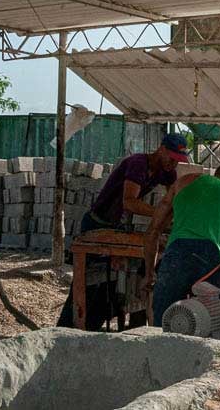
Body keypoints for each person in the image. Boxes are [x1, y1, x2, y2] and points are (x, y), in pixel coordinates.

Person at [57, 132, 188, 330]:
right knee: (90, 279)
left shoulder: (167, 172)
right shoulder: (138, 164)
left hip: (118, 226)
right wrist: (159, 215)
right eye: (171, 158)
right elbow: (129, 202)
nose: (173, 164)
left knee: (118, 281)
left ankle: (117, 324)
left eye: (178, 161)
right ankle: (69, 325)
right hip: (97, 224)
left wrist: (181, 217)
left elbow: (176, 199)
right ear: (161, 149)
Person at [144, 164, 220, 326]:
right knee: (213, 328)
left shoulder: (184, 182)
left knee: (164, 323)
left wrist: (149, 273)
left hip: (177, 259)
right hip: (217, 263)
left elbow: (153, 231)